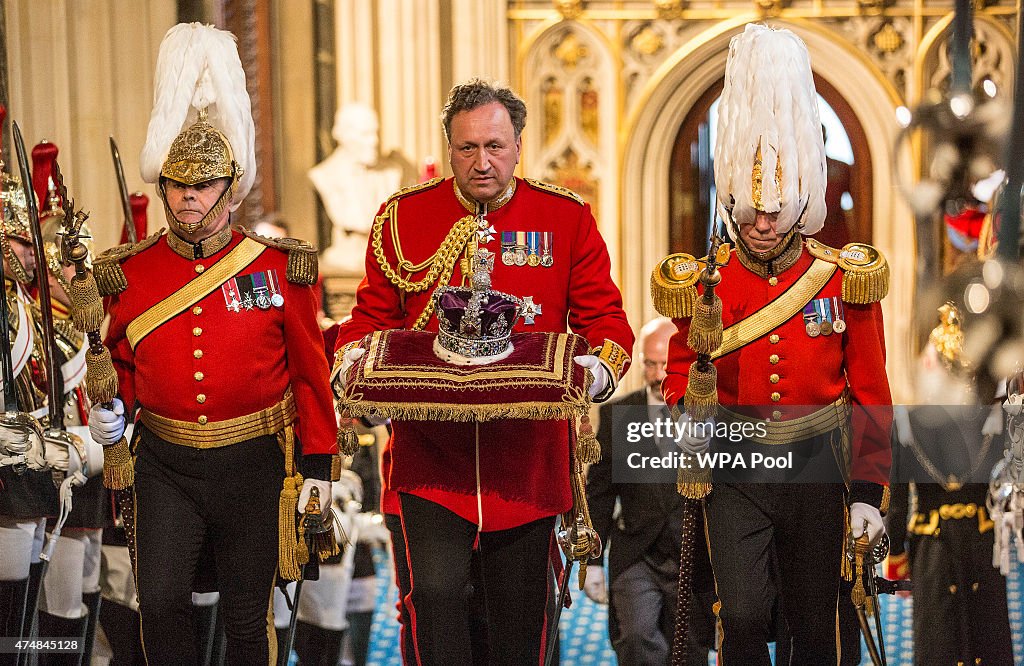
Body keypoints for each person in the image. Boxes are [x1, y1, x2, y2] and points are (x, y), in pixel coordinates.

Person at [331, 78, 633, 664]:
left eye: (495, 146)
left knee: (519, 619)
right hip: (429, 461)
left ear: (519, 143)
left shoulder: (564, 218)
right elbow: (370, 316)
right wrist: (355, 370)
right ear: (449, 149)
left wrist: (594, 373)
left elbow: (606, 320)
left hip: (527, 461)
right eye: (467, 148)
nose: (482, 162)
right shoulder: (403, 217)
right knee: (434, 604)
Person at [86, 23, 337, 664]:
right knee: (163, 607)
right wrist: (113, 412)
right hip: (164, 465)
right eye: (177, 185)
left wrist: (316, 468)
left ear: (230, 190)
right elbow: (118, 360)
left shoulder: (280, 269)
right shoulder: (131, 271)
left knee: (249, 618)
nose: (188, 196)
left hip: (254, 464)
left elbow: (311, 376)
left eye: (202, 186)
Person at [654, 24, 892, 664]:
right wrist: (686, 418)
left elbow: (871, 396)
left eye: (777, 210)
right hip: (736, 472)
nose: (762, 225)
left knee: (815, 626)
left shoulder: (842, 278)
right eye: (751, 210)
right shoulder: (705, 282)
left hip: (819, 472)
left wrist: (869, 495)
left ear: (802, 201)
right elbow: (681, 376)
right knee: (747, 614)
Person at [885, 305, 1014, 666]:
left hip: (931, 544)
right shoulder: (995, 418)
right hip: (983, 537)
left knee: (938, 638)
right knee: (986, 635)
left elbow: (897, 502)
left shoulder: (907, 422)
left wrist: (896, 555)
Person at [585, 317, 715, 665]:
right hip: (636, 551)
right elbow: (599, 490)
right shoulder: (618, 415)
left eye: (666, 365)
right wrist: (594, 562)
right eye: (650, 364)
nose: (658, 375)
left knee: (689, 649)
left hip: (694, 554)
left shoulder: (713, 415)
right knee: (636, 637)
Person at [308, 103, 405, 273]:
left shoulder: (393, 172)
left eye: (375, 133)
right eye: (365, 134)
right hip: (347, 261)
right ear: (343, 136)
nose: (374, 141)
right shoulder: (324, 175)